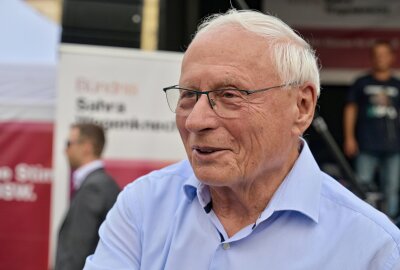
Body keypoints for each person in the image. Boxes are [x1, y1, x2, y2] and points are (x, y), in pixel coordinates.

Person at [84, 10, 400, 269]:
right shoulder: (143, 206)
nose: (196, 120)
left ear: (301, 107)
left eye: (230, 95)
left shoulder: (372, 247)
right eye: (188, 95)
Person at [343, 40, 400, 218]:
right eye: (376, 55)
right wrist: (349, 137)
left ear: (391, 57)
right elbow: (350, 109)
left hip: (393, 146)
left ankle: (391, 227)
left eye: (384, 55)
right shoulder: (362, 82)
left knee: (391, 187)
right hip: (366, 143)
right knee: (361, 186)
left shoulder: (397, 84)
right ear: (371, 58)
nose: (380, 59)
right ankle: (362, 221)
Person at [55, 123, 120, 270]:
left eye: (69, 143)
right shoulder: (100, 183)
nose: (65, 150)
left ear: (87, 147)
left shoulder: (94, 187)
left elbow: (76, 253)